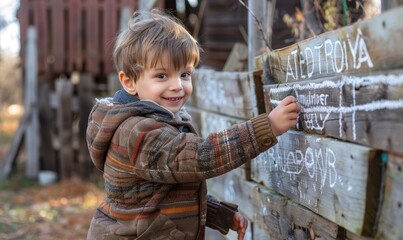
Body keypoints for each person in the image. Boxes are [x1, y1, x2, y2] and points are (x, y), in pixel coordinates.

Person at [86, 9, 300, 240]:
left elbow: (164, 190)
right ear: (130, 82)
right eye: (161, 76)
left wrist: (216, 213)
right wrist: (266, 127)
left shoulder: (156, 120)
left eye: (185, 74)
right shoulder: (138, 133)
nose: (177, 85)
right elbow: (201, 157)